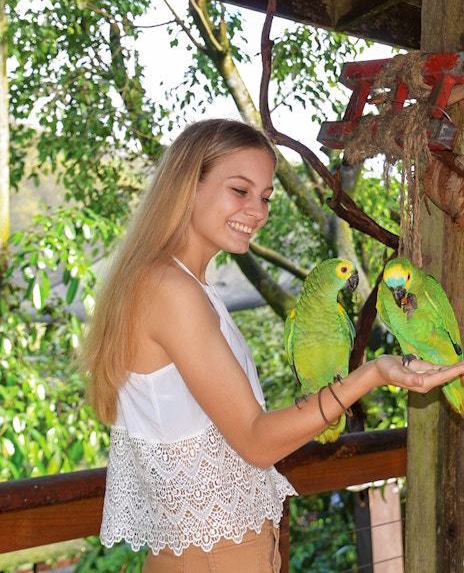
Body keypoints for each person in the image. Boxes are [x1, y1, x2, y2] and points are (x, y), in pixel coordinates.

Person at [78, 118, 464, 573]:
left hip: (218, 552)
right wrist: (373, 373)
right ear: (187, 187)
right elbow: (256, 442)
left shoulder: (180, 284)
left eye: (264, 197)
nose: (257, 212)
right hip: (217, 558)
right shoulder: (171, 291)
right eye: (240, 190)